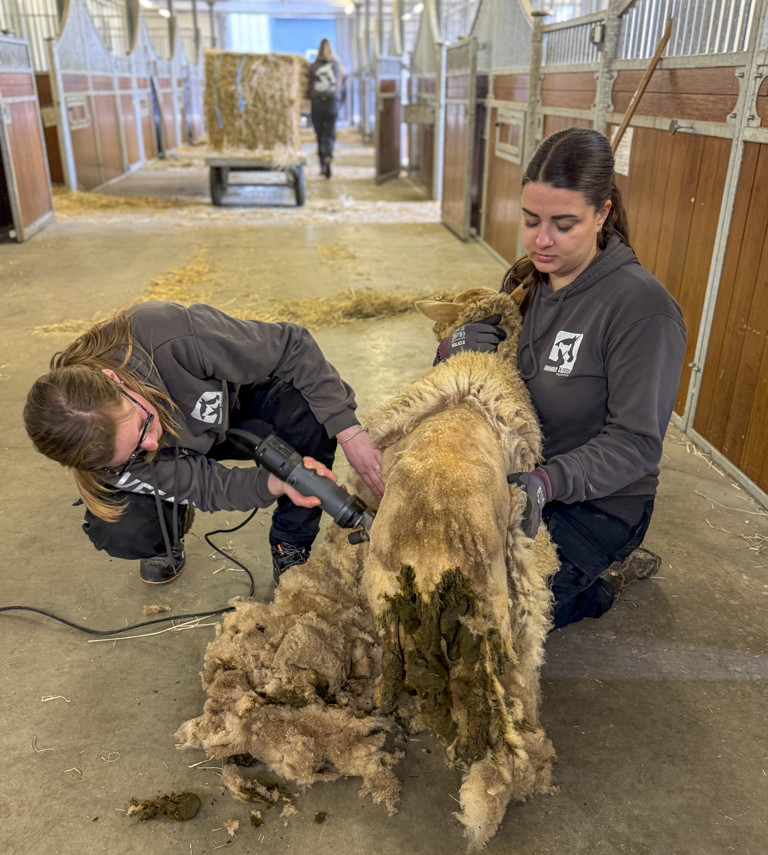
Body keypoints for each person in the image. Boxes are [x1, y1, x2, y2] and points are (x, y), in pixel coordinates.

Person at [437, 127, 686, 630]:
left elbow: (637, 443)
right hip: (515, 476)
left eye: (564, 224)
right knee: (422, 581)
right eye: (530, 220)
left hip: (595, 503)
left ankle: (604, 579)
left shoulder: (642, 309)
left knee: (486, 620)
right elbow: (487, 381)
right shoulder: (525, 281)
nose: (541, 240)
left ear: (602, 213)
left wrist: (548, 482)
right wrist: (451, 351)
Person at [24, 301, 384, 586]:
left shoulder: (169, 335)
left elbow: (292, 346)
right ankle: (170, 520)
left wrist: (347, 430)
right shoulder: (107, 457)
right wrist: (272, 484)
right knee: (124, 528)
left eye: (141, 424)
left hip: (230, 408)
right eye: (133, 452)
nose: (151, 443)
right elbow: (207, 485)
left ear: (113, 380)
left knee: (306, 407)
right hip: (183, 445)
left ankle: (290, 542)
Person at [306, 39, 346, 179]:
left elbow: (308, 86)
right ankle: (329, 155)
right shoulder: (337, 65)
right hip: (332, 103)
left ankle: (322, 163)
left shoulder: (313, 67)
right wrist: (340, 101)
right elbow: (342, 85)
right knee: (330, 133)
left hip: (317, 103)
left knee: (320, 134)